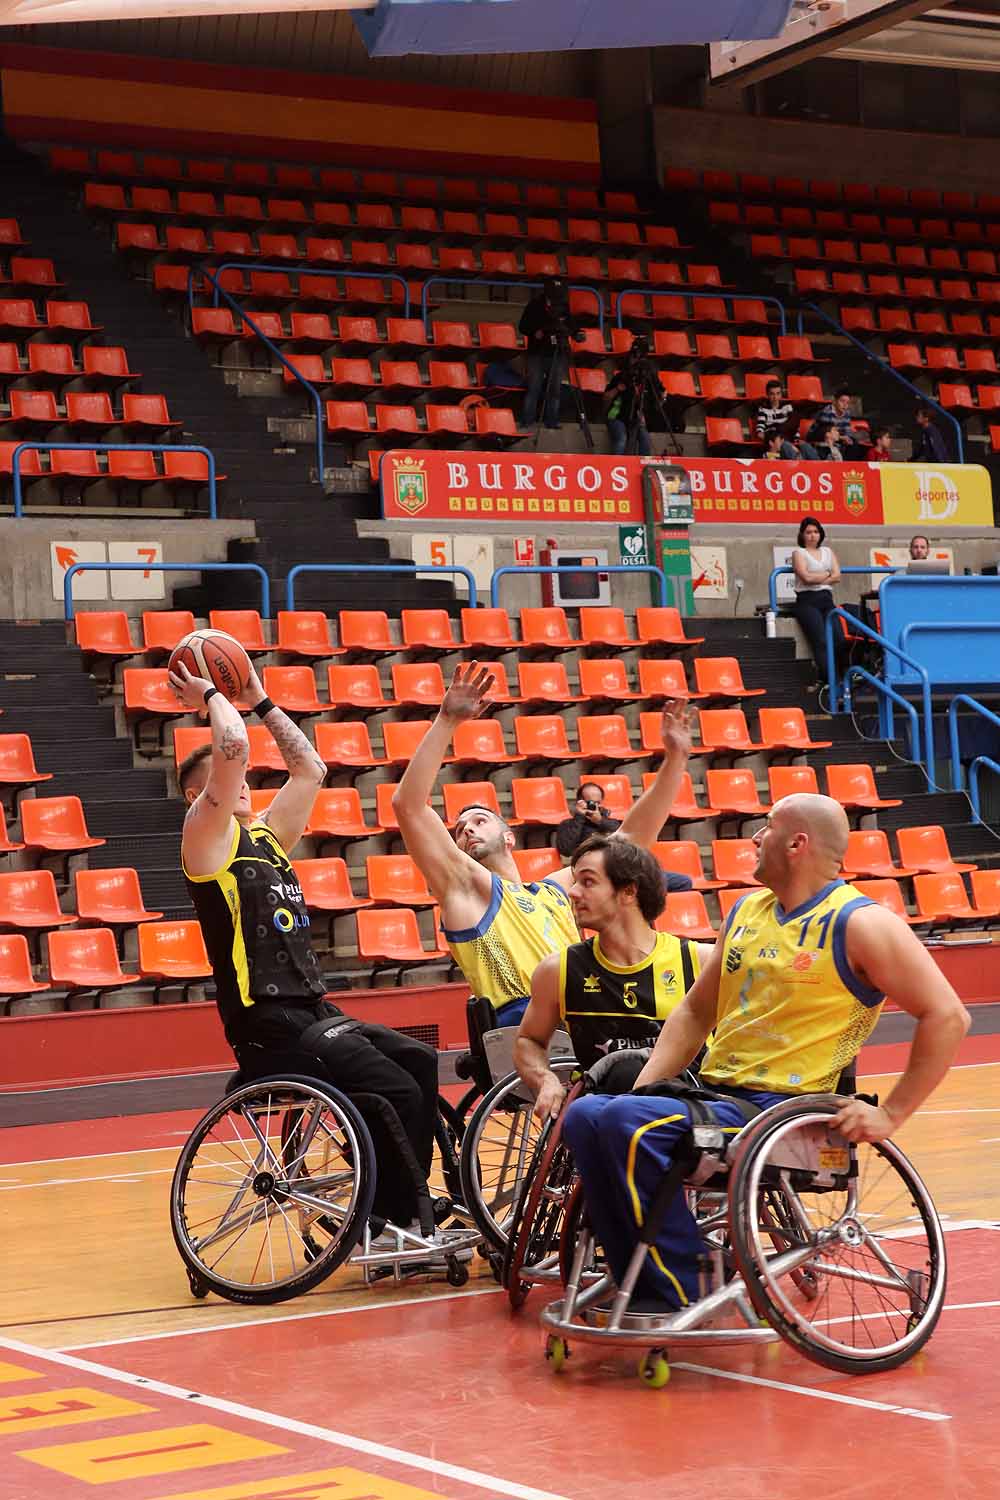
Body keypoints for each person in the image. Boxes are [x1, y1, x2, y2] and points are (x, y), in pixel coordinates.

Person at [561, 793, 970, 1309]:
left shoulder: (862, 924)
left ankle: (684, 1285)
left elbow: (948, 1015)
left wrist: (890, 1113)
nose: (754, 837)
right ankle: (638, 1280)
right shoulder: (747, 910)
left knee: (627, 1123)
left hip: (783, 1111)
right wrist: (641, 1091)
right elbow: (694, 1011)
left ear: (797, 843)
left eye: (767, 827)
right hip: (719, 1095)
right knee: (587, 1117)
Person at [170, 659, 440, 1237]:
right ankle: (393, 1215)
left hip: (313, 1009)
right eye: (227, 778)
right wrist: (211, 695)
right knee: (392, 1089)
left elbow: (310, 768)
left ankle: (399, 1197)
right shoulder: (205, 840)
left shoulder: (265, 835)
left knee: (418, 1062)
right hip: (265, 1018)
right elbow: (234, 746)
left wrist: (261, 695)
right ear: (200, 794)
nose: (243, 781)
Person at [392, 665, 693, 1027]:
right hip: (521, 1024)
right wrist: (446, 720)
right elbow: (408, 806)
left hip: (584, 1013)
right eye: (459, 829)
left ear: (509, 837)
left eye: (479, 820)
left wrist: (675, 761)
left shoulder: (555, 891)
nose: (468, 830)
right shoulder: (464, 887)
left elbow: (631, 839)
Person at [515, 836, 712, 1121]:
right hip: (599, 1107)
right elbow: (528, 1040)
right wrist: (544, 1079)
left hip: (684, 1110)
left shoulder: (698, 961)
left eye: (588, 881)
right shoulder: (558, 969)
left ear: (629, 892)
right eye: (574, 881)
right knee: (621, 1076)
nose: (572, 892)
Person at [519, 277, 583, 430]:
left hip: (557, 352)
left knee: (555, 389)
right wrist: (535, 332)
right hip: (537, 353)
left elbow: (570, 325)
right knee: (534, 387)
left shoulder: (563, 306)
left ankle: (552, 422)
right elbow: (523, 326)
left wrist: (577, 333)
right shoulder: (534, 305)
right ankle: (527, 421)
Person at [791, 514, 845, 678]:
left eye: (815, 531)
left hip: (826, 600)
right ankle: (828, 679)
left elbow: (837, 576)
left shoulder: (827, 551)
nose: (812, 535)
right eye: (808, 532)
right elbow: (806, 578)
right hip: (807, 601)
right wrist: (827, 575)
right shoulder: (799, 553)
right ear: (802, 535)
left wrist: (821, 576)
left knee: (839, 638)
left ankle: (842, 677)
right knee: (821, 641)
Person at [605, 334, 657, 456]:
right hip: (617, 417)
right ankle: (617, 467)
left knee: (645, 440)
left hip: (635, 418)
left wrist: (642, 414)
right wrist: (618, 389)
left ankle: (645, 468)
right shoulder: (621, 376)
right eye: (633, 357)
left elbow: (652, 400)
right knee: (621, 439)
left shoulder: (645, 380)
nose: (635, 361)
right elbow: (606, 396)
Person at [554, 781, 620, 858]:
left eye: (598, 803)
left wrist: (600, 821)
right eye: (591, 803)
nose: (596, 807)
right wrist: (579, 817)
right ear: (580, 802)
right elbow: (566, 850)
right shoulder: (567, 825)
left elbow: (623, 838)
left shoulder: (611, 823)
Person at [806, 386, 868, 458]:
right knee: (831, 436)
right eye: (842, 401)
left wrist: (848, 438)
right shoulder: (826, 411)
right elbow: (827, 431)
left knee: (853, 443)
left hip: (837, 437)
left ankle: (849, 466)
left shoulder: (846, 413)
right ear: (835, 401)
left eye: (847, 402)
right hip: (819, 436)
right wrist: (842, 438)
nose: (845, 405)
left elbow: (847, 430)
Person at [753, 379, 796, 453]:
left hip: (785, 435)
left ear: (781, 394)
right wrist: (772, 438)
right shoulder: (763, 409)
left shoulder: (787, 407)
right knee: (775, 435)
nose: (775, 397)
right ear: (767, 395)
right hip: (772, 436)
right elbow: (760, 432)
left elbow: (793, 425)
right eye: (772, 394)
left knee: (804, 446)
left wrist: (795, 439)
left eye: (778, 393)